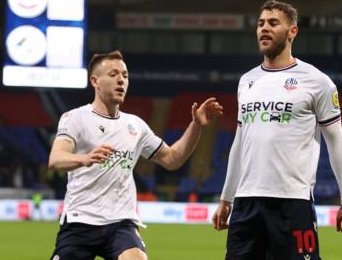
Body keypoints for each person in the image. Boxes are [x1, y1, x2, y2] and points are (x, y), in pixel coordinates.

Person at [212, 0, 342, 260]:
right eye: (260, 24)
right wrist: (227, 198)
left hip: (293, 202)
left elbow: (336, 142)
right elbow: (239, 143)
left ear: (293, 31)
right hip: (246, 202)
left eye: (273, 23)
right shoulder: (246, 81)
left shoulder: (317, 82)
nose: (264, 29)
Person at [48, 50, 223, 260]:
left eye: (125, 75)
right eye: (113, 75)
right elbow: (56, 158)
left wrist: (196, 126)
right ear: (95, 81)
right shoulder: (76, 118)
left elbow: (172, 159)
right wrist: (84, 159)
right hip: (79, 221)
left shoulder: (135, 125)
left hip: (120, 223)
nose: (121, 80)